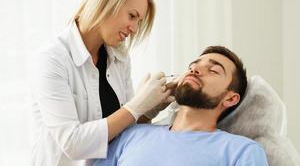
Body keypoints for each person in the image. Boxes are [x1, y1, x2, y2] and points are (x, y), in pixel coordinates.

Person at [30, 0, 172, 166]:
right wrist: (137, 105)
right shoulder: (52, 58)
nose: (134, 29)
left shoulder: (119, 57)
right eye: (132, 16)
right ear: (106, 1)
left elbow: (123, 130)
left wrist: (148, 109)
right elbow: (72, 143)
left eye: (139, 22)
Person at [93, 46, 269, 166]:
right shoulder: (131, 134)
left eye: (213, 71)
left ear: (230, 98)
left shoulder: (242, 151)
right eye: (192, 66)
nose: (195, 70)